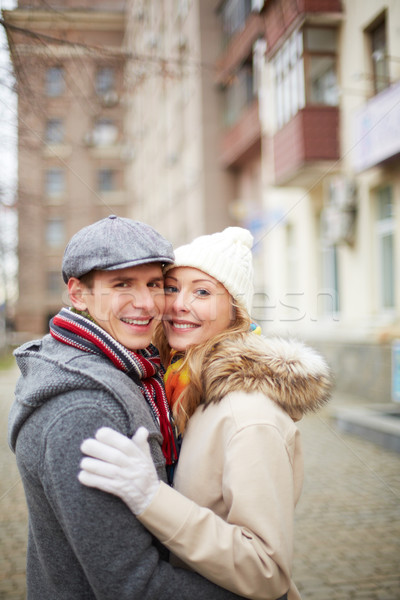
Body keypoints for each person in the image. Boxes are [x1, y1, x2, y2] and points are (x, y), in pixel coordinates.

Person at [79, 226, 332, 600]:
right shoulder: (180, 389)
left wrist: (151, 499)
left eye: (202, 291)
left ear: (235, 312)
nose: (178, 304)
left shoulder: (248, 414)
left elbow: (266, 572)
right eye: (170, 287)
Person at [8, 215, 248, 600]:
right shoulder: (85, 409)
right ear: (78, 294)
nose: (147, 303)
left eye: (155, 284)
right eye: (122, 284)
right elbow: (134, 587)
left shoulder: (128, 368)